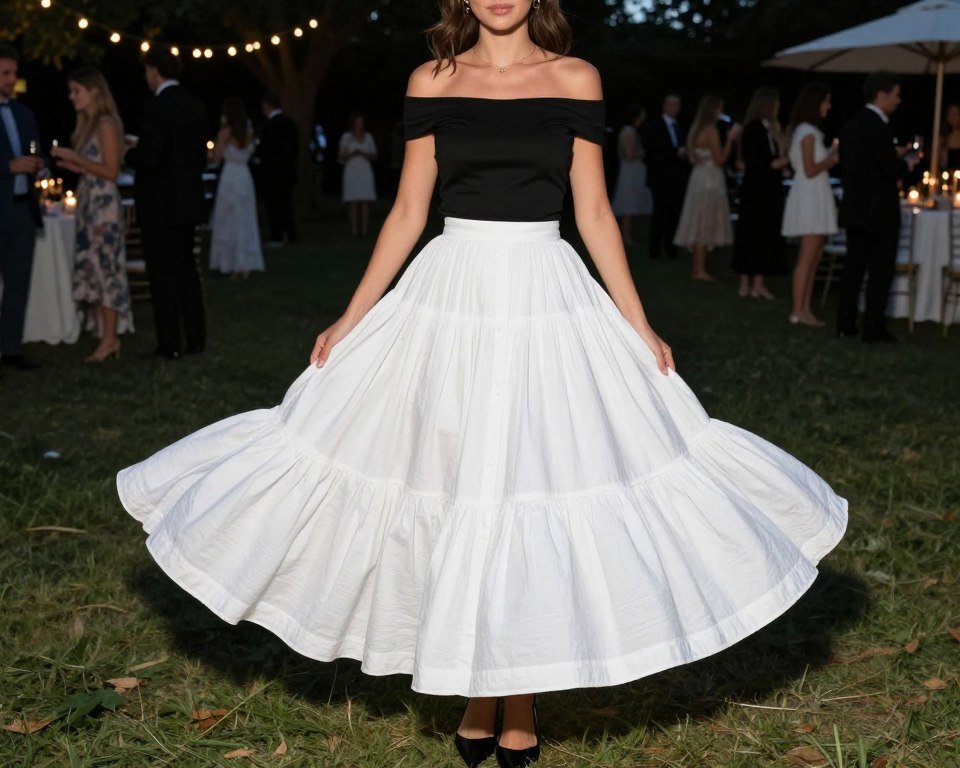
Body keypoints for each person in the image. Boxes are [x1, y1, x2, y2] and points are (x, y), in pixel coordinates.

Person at [116, 2, 847, 766]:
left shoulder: (575, 76)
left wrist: (639, 325)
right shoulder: (433, 80)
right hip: (451, 292)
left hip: (546, 293)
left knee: (533, 483)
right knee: (457, 482)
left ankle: (519, 693)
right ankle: (476, 685)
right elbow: (407, 210)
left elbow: (594, 211)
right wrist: (350, 316)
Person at [125, 48, 208, 360]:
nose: (146, 77)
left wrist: (127, 154)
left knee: (162, 275)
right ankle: (196, 340)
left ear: (155, 71)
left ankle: (169, 344)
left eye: (146, 71)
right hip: (187, 203)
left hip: (159, 207)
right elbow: (198, 158)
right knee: (187, 271)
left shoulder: (157, 107)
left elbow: (151, 158)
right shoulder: (196, 106)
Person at [51, 66, 133, 362]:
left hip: (103, 210)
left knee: (106, 272)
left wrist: (77, 158)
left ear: (94, 91)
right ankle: (105, 336)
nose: (72, 97)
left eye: (77, 91)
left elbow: (111, 171)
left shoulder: (106, 123)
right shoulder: (89, 124)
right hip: (90, 204)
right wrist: (76, 165)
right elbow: (95, 166)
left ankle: (110, 340)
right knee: (95, 272)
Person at [836, 72, 918, 343]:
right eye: (896, 94)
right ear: (881, 95)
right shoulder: (879, 126)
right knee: (880, 271)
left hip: (855, 208)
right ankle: (873, 328)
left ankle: (845, 323)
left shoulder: (850, 126)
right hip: (880, 212)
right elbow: (888, 169)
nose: (899, 101)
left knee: (853, 270)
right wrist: (907, 163)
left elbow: (859, 166)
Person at [0, 44, 44, 371]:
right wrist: (8, 166)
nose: (12, 79)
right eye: (6, 73)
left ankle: (12, 349)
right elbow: (11, 163)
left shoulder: (24, 113)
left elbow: (33, 150)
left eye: (14, 73)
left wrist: (37, 165)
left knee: (18, 281)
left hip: (22, 210)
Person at [782, 83, 839, 327]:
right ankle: (798, 310)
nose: (829, 106)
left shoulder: (808, 130)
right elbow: (810, 168)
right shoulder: (807, 132)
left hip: (815, 195)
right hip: (810, 198)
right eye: (826, 101)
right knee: (807, 257)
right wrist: (832, 157)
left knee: (814, 257)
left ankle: (805, 307)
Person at [673, 94, 740, 281]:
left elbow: (693, 156)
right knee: (703, 222)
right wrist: (730, 140)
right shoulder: (711, 130)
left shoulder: (696, 129)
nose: (721, 112)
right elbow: (720, 160)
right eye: (719, 108)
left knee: (698, 221)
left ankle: (698, 268)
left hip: (698, 177)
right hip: (710, 179)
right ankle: (699, 270)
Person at [731, 87, 789, 299]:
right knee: (750, 233)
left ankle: (759, 282)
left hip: (770, 191)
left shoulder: (771, 129)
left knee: (766, 235)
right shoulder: (753, 128)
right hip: (756, 190)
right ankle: (744, 281)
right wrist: (776, 164)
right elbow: (756, 160)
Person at [209, 97, 264, 278]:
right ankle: (245, 263)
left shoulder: (225, 133)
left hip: (230, 175)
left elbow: (217, 158)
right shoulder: (247, 131)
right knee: (244, 218)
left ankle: (231, 263)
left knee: (229, 218)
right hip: (244, 175)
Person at [645, 93, 688, 259]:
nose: (674, 108)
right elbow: (653, 151)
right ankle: (655, 251)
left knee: (674, 213)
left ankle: (671, 249)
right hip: (661, 178)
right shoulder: (655, 126)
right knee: (660, 214)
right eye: (671, 104)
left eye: (677, 105)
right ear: (664, 106)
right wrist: (675, 152)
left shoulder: (679, 125)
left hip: (677, 178)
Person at [257, 93, 299, 247]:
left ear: (268, 106)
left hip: (272, 173)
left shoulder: (269, 126)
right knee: (286, 204)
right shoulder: (290, 123)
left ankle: (277, 235)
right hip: (287, 172)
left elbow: (265, 151)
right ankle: (291, 233)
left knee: (274, 205)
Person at [610, 103, 652, 246]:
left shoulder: (631, 130)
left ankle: (627, 236)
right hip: (631, 172)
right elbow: (629, 154)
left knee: (632, 204)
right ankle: (625, 238)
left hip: (634, 171)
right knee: (628, 204)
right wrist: (644, 153)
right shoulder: (629, 131)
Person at [338, 112, 378, 237]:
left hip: (365, 170)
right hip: (351, 169)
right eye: (357, 123)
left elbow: (374, 155)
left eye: (361, 123)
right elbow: (340, 156)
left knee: (365, 200)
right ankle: (354, 230)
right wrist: (352, 153)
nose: (359, 125)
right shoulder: (346, 137)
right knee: (353, 201)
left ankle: (365, 230)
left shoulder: (368, 137)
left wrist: (364, 153)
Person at [940, 102, 960, 171]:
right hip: (947, 176)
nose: (953, 116)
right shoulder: (942, 137)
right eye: (950, 113)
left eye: (956, 113)